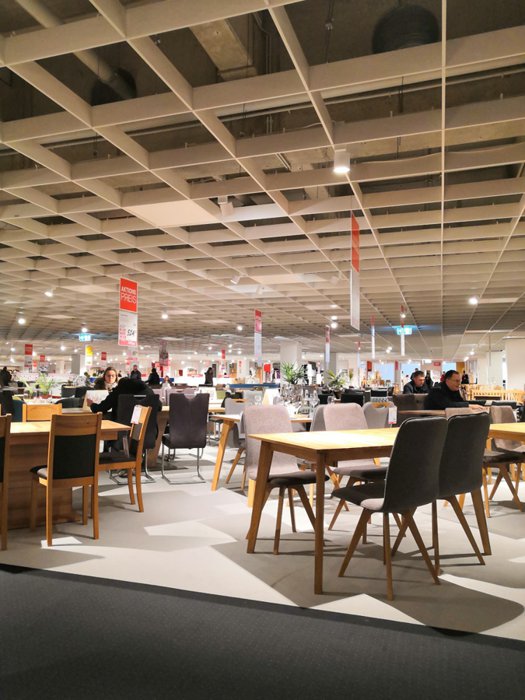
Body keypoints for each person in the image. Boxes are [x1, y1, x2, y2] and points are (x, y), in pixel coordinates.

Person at [87, 377, 154, 416]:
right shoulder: (149, 392)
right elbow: (158, 407)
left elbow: (101, 408)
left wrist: (92, 404)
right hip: (148, 431)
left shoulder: (118, 393)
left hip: (120, 429)